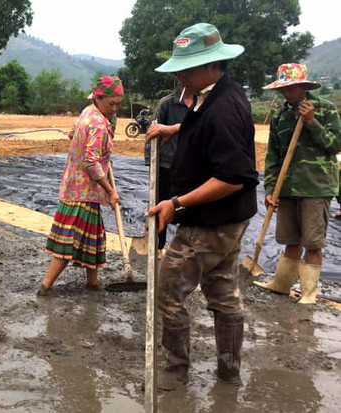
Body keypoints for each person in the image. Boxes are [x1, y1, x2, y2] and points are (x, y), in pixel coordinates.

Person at [147, 23, 259, 389]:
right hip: (229, 219)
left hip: (210, 222)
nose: (179, 73)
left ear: (212, 65)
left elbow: (232, 177)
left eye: (186, 66)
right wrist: (174, 130)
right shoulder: (218, 94)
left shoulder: (223, 106)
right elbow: (206, 129)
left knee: (168, 290)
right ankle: (229, 371)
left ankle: (175, 369)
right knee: (223, 291)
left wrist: (176, 202)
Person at [258, 63, 341, 304]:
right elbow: (273, 156)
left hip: (316, 186)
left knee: (313, 243)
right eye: (282, 89)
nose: (285, 93)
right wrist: (271, 188)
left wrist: (312, 122)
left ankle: (308, 293)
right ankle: (282, 284)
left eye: (290, 88)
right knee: (290, 239)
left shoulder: (325, 109)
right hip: (287, 187)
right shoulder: (280, 115)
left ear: (302, 86)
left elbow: (334, 145)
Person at [37, 75, 122, 295]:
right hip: (83, 191)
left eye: (118, 103)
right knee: (70, 242)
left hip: (75, 188)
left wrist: (102, 154)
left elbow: (72, 133)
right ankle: (46, 285)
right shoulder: (98, 124)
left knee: (92, 239)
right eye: (111, 103)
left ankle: (93, 283)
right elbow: (91, 162)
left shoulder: (88, 112)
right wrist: (111, 191)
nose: (114, 108)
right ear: (98, 98)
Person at [145, 87, 194, 253]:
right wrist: (151, 167)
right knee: (160, 208)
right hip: (166, 166)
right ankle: (157, 248)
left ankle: (187, 250)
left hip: (191, 168)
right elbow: (152, 134)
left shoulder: (203, 104)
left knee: (188, 208)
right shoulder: (167, 104)